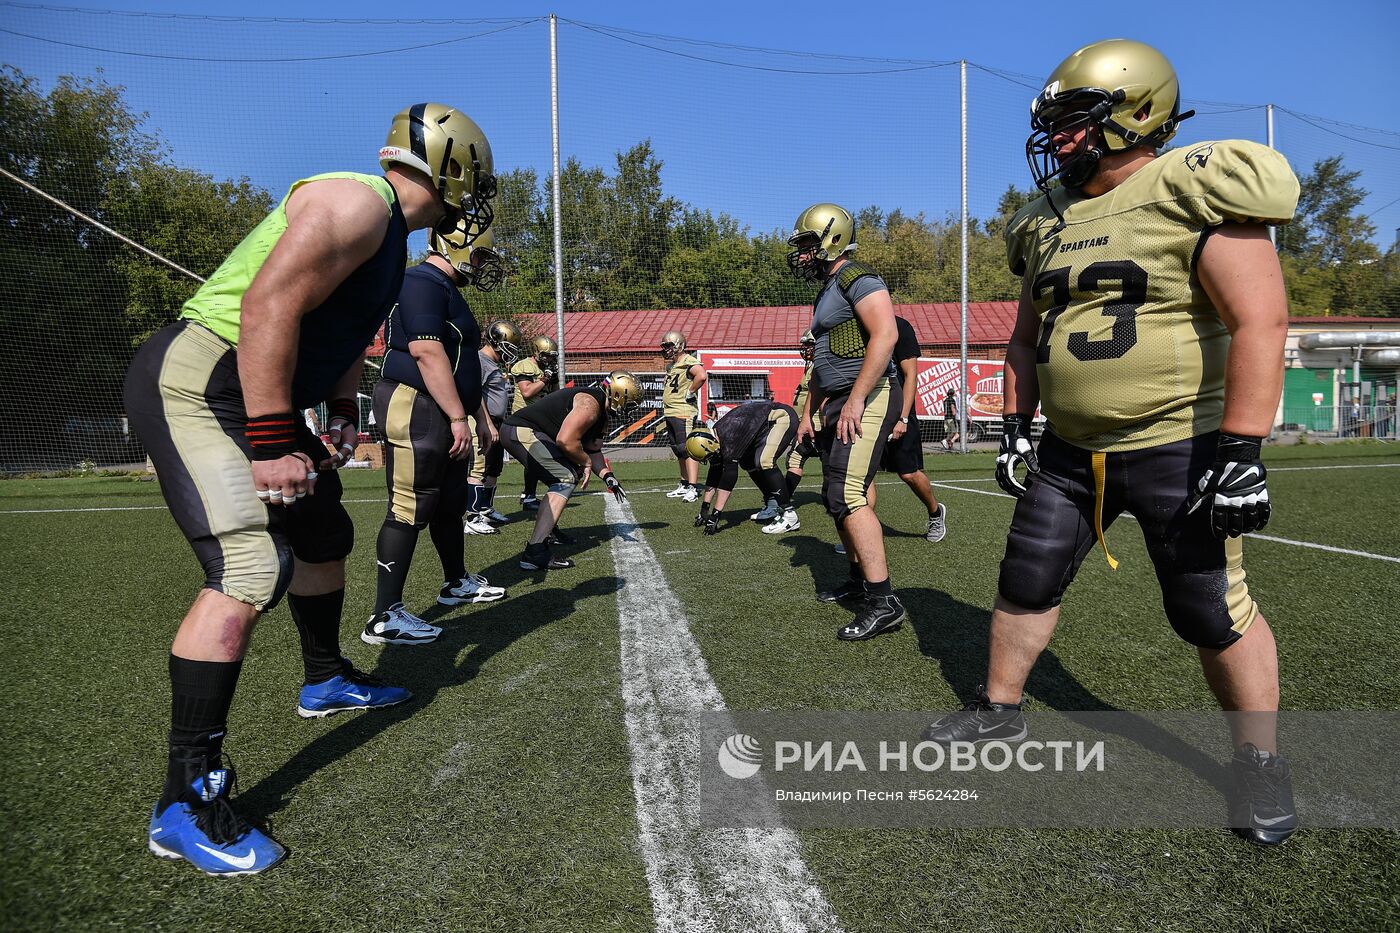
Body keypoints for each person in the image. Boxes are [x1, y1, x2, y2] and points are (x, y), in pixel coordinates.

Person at [922, 39, 1301, 846]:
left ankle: (1259, 761)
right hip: (1067, 449)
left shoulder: (1191, 187)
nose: (1057, 139)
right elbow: (1023, 341)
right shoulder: (1048, 219)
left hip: (1179, 442)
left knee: (1209, 606)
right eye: (1054, 124)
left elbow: (1260, 317)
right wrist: (1017, 428)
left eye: (1073, 121)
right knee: (1025, 576)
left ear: (1137, 113)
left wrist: (1241, 448)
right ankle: (999, 711)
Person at [123, 103, 496, 874]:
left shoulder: (386, 233)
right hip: (203, 382)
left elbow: (343, 330)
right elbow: (268, 306)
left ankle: (325, 676)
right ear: (455, 169)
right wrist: (267, 440)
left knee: (325, 534)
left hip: (255, 387)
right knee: (251, 566)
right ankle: (183, 801)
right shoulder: (360, 202)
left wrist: (333, 411)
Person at [364, 229, 506, 648]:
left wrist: (476, 415)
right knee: (411, 504)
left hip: (444, 409)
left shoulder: (444, 287)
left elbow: (462, 365)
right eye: (478, 255)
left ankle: (455, 581)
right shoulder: (419, 282)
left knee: (448, 501)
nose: (481, 264)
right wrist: (458, 416)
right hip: (418, 405)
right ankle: (384, 615)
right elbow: (428, 354)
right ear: (452, 245)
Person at [788, 202, 906, 641]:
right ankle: (860, 582)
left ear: (830, 238)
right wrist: (807, 412)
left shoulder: (859, 277)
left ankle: (883, 601)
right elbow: (823, 360)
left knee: (848, 493)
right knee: (834, 493)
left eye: (805, 244)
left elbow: (886, 335)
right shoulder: (829, 289)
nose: (801, 253)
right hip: (840, 398)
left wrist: (857, 399)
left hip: (868, 396)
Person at [501, 372, 641, 571]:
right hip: (521, 430)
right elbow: (566, 441)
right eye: (630, 403)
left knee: (565, 474)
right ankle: (535, 551)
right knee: (565, 478)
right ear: (618, 395)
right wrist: (585, 463)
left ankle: (547, 531)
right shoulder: (590, 405)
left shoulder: (601, 413)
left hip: (530, 433)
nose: (630, 409)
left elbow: (593, 450)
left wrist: (608, 477)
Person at [873, 315, 947, 542]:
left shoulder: (900, 327)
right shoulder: (855, 327)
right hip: (869, 414)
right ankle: (861, 533)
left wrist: (903, 418)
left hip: (897, 414)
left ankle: (935, 512)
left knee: (909, 473)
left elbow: (910, 374)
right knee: (862, 476)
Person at [687, 400, 800, 535]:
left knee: (765, 461)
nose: (710, 460)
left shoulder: (728, 438)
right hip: (764, 425)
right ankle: (772, 503)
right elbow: (715, 472)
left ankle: (789, 514)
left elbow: (729, 479)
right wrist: (704, 508)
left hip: (781, 417)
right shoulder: (715, 436)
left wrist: (716, 514)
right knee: (747, 462)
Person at [465, 312, 521, 535]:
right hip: (482, 421)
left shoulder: (491, 362)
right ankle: (473, 517)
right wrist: (486, 422)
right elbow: (474, 392)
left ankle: (485, 509)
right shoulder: (479, 360)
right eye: (509, 345)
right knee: (479, 466)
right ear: (497, 342)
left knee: (493, 467)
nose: (512, 351)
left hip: (495, 420)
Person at [509, 335, 558, 510]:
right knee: (535, 456)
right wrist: (544, 379)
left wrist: (552, 380)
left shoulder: (547, 369)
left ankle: (529, 495)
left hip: (538, 419)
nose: (549, 359)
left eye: (552, 356)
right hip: (522, 419)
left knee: (535, 457)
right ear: (537, 352)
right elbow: (527, 392)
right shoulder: (525, 366)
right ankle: (530, 495)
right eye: (546, 355)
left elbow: (553, 396)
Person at [777, 330, 821, 513]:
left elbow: (823, 394)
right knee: (827, 463)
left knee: (796, 458)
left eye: (810, 344)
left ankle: (782, 503)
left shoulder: (820, 365)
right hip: (809, 421)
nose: (806, 349)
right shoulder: (812, 366)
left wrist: (809, 419)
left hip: (814, 422)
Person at [661, 330, 707, 502]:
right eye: (664, 346)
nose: (666, 349)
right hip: (671, 411)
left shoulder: (688, 360)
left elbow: (701, 375)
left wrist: (691, 391)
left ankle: (693, 488)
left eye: (669, 346)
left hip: (683, 412)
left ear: (679, 345)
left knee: (688, 450)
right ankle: (684, 483)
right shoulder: (673, 365)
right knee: (679, 450)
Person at [941, 386, 961, 451]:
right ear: (952, 393)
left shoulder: (945, 400)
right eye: (955, 392)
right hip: (951, 419)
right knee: (956, 433)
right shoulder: (952, 400)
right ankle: (945, 440)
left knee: (950, 433)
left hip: (946, 418)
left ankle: (950, 446)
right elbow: (953, 409)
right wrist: (955, 413)